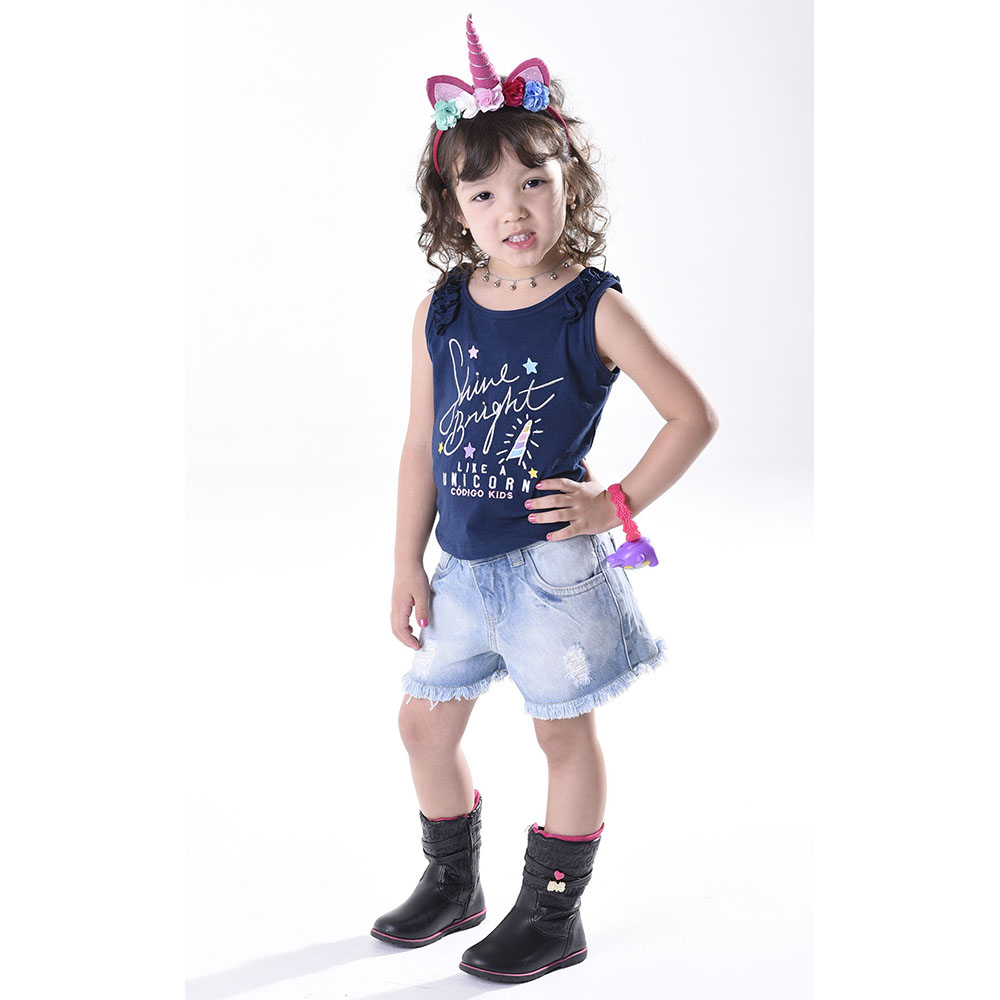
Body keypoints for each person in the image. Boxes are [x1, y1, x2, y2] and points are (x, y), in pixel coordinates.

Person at [370, 15, 719, 984]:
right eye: (482, 191)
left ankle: (553, 911)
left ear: (571, 179)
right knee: (422, 723)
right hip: (461, 569)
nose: (512, 208)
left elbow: (690, 415)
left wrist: (616, 504)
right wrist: (404, 559)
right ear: (453, 206)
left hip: (552, 576)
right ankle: (454, 882)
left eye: (533, 180)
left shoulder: (591, 307)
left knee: (561, 733)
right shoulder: (442, 309)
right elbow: (419, 444)